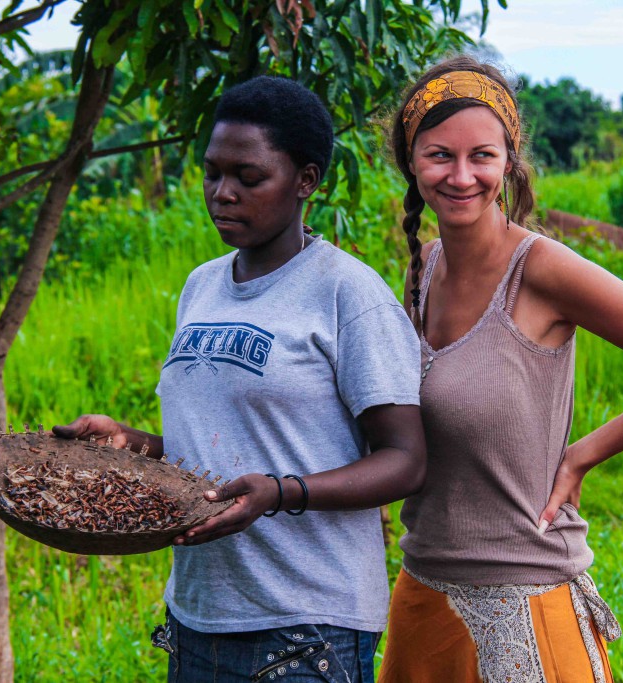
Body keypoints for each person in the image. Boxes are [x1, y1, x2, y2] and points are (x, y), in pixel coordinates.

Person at [376, 55, 623, 683]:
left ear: (510, 160)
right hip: (425, 590)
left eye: (482, 156)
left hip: (522, 599)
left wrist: (581, 456)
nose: (462, 176)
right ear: (411, 161)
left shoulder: (541, 270)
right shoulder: (422, 266)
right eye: (439, 155)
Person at [54, 76, 426, 682]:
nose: (222, 194)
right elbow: (216, 449)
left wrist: (279, 493)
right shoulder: (203, 286)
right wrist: (131, 443)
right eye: (212, 173)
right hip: (199, 615)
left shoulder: (347, 293)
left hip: (305, 627)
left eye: (248, 178)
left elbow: (406, 460)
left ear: (305, 181)